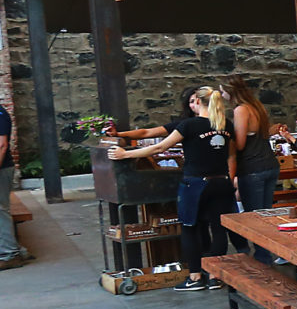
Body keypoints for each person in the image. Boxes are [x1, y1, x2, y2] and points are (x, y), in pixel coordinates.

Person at [111, 86, 235, 291]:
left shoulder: (189, 125)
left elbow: (160, 147)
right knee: (219, 229)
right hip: (221, 182)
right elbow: (229, 153)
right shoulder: (226, 125)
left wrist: (125, 155)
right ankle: (215, 275)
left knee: (189, 228)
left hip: (196, 183)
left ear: (197, 102)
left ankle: (195, 277)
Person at [221, 77, 281, 263]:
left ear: (230, 92)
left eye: (222, 91)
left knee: (255, 217)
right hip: (269, 165)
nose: (221, 95)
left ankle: (263, 257)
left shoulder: (241, 110)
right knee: (266, 214)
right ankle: (268, 252)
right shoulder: (257, 106)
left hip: (252, 168)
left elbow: (239, 144)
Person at [0, 97, 31, 270]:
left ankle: (10, 254)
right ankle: (17, 250)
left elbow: (2, 145)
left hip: (2, 168)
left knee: (0, 209)